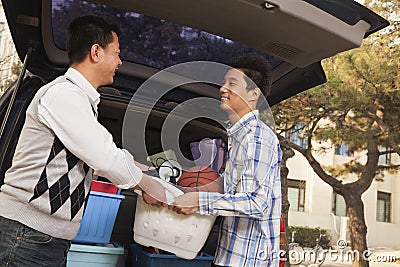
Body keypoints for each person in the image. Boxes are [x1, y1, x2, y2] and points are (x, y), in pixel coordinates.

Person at [0, 15, 166, 266]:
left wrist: (147, 170)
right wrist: (146, 185)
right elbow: (104, 156)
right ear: (96, 52)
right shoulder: (63, 94)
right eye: (117, 53)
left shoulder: (81, 102)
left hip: (44, 238)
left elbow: (93, 157)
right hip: (26, 234)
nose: (120, 62)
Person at [170, 55, 282, 266]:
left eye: (232, 83)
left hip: (249, 260)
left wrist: (199, 202)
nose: (223, 88)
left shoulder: (257, 138)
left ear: (253, 94)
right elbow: (230, 186)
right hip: (228, 254)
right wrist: (179, 188)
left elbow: (257, 203)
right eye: (223, 83)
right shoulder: (239, 136)